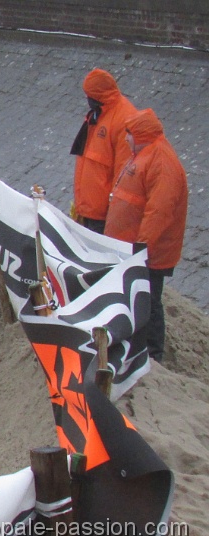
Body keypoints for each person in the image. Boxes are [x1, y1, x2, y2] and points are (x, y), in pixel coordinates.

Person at [104, 109, 188, 363]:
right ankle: (141, 346)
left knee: (149, 300)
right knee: (139, 297)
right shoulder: (146, 154)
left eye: (130, 135)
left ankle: (153, 353)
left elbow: (159, 213)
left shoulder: (160, 162)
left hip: (147, 253)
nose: (126, 139)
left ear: (141, 135)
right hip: (134, 250)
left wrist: (141, 248)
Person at [69, 68, 138, 234]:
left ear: (97, 96)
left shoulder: (122, 120)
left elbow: (124, 172)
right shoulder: (99, 113)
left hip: (103, 215)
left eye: (89, 95)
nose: (87, 99)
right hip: (89, 211)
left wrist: (114, 212)